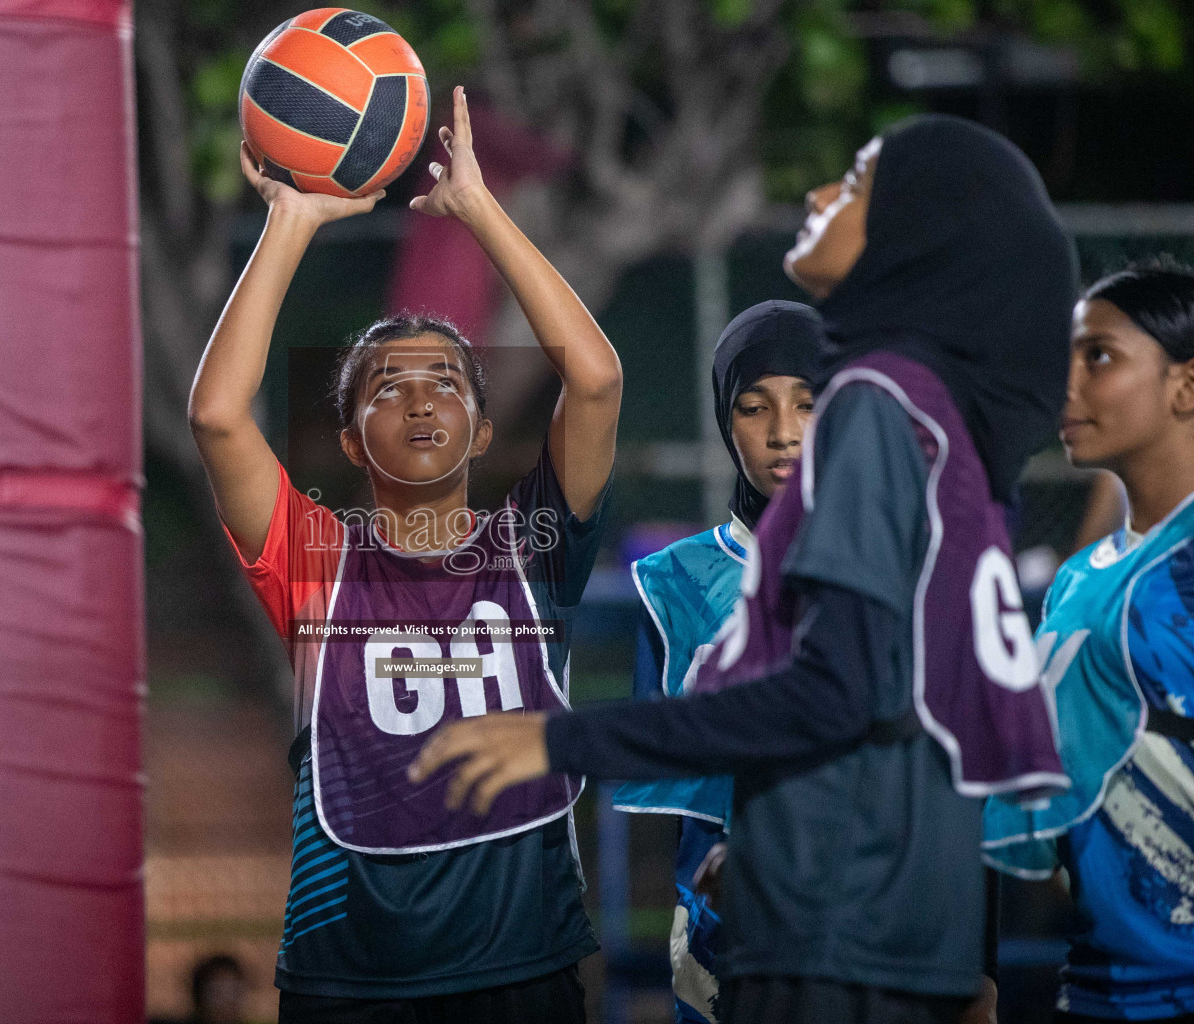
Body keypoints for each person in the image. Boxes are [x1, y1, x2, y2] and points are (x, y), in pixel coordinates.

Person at [411, 113, 1075, 1024]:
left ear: (909, 240)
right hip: (885, 926)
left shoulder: (883, 415)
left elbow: (831, 694)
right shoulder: (939, 437)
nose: (816, 194)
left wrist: (564, 741)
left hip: (842, 934)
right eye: (756, 408)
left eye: (854, 183)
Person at [187, 87, 621, 1023]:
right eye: (388, 388)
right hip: (351, 973)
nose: (420, 402)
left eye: (444, 385)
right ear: (350, 441)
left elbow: (596, 379)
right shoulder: (316, 561)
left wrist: (476, 208)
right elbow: (219, 415)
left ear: (477, 429)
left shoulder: (534, 545)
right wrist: (291, 223)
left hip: (522, 963)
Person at [983, 260, 1194, 1021]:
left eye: (1097, 357)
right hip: (1100, 987)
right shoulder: (1079, 578)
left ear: (1186, 387)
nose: (1064, 385)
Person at [612, 301, 822, 1023]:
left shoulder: (900, 565)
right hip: (720, 943)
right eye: (754, 406)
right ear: (724, 420)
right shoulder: (672, 584)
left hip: (871, 928)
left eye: (808, 403)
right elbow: (668, 806)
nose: (783, 432)